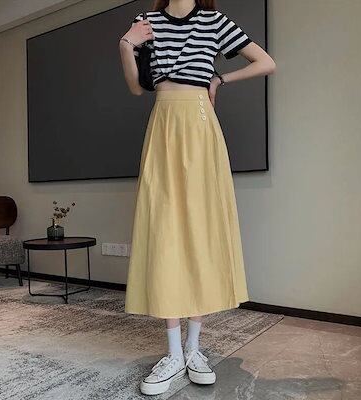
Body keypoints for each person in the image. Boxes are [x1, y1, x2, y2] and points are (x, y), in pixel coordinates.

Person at [119, 0, 276, 395]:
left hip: (201, 124)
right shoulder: (146, 22)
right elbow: (136, 87)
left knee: (201, 231)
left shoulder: (213, 21)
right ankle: (174, 353)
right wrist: (127, 43)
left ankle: (193, 348)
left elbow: (266, 62)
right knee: (166, 232)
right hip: (163, 123)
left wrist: (220, 79)